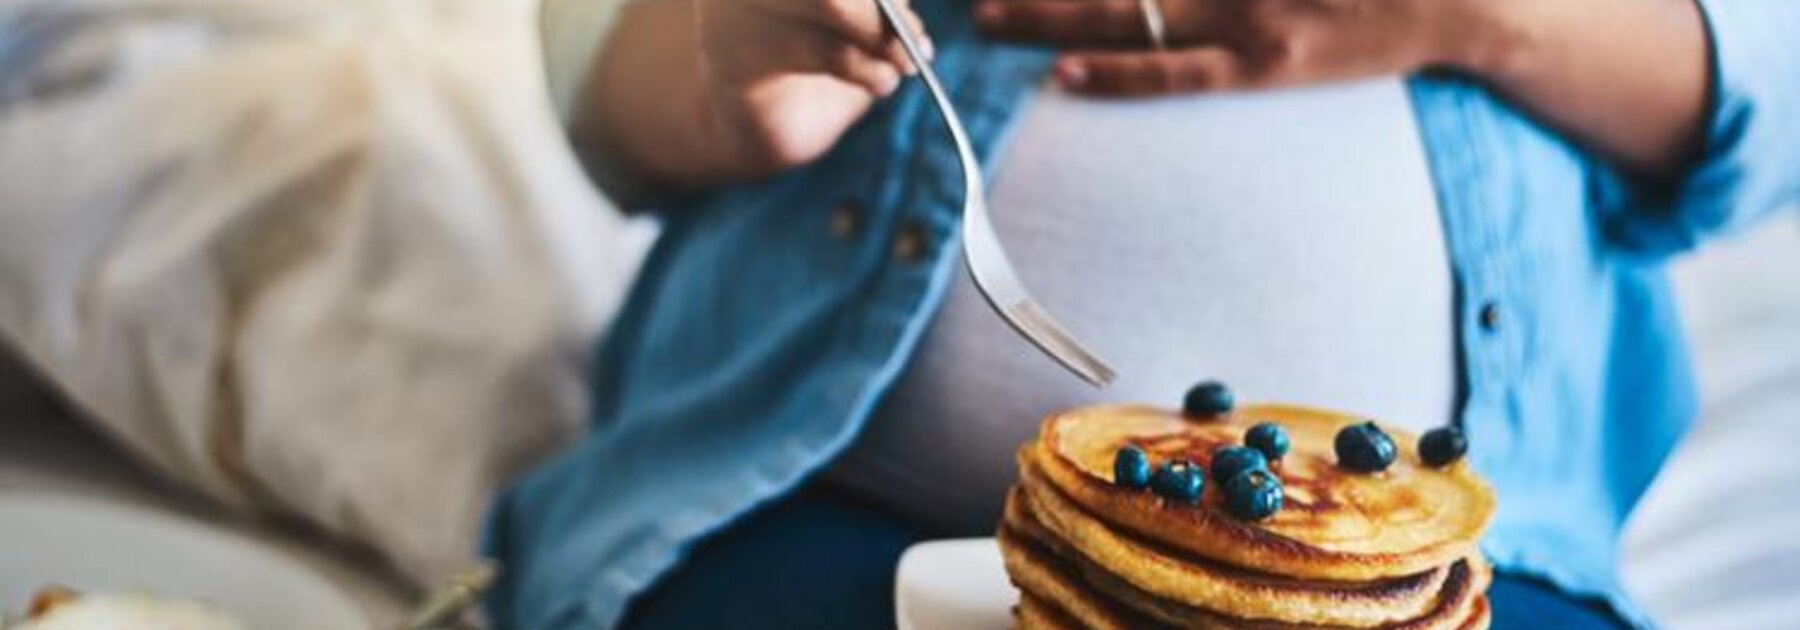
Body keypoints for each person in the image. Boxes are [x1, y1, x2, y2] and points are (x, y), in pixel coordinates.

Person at [485, 0, 1799, 627]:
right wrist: (720, 63)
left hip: (1455, 585)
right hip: (817, 506)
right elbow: (594, 82)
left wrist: (1486, 17)